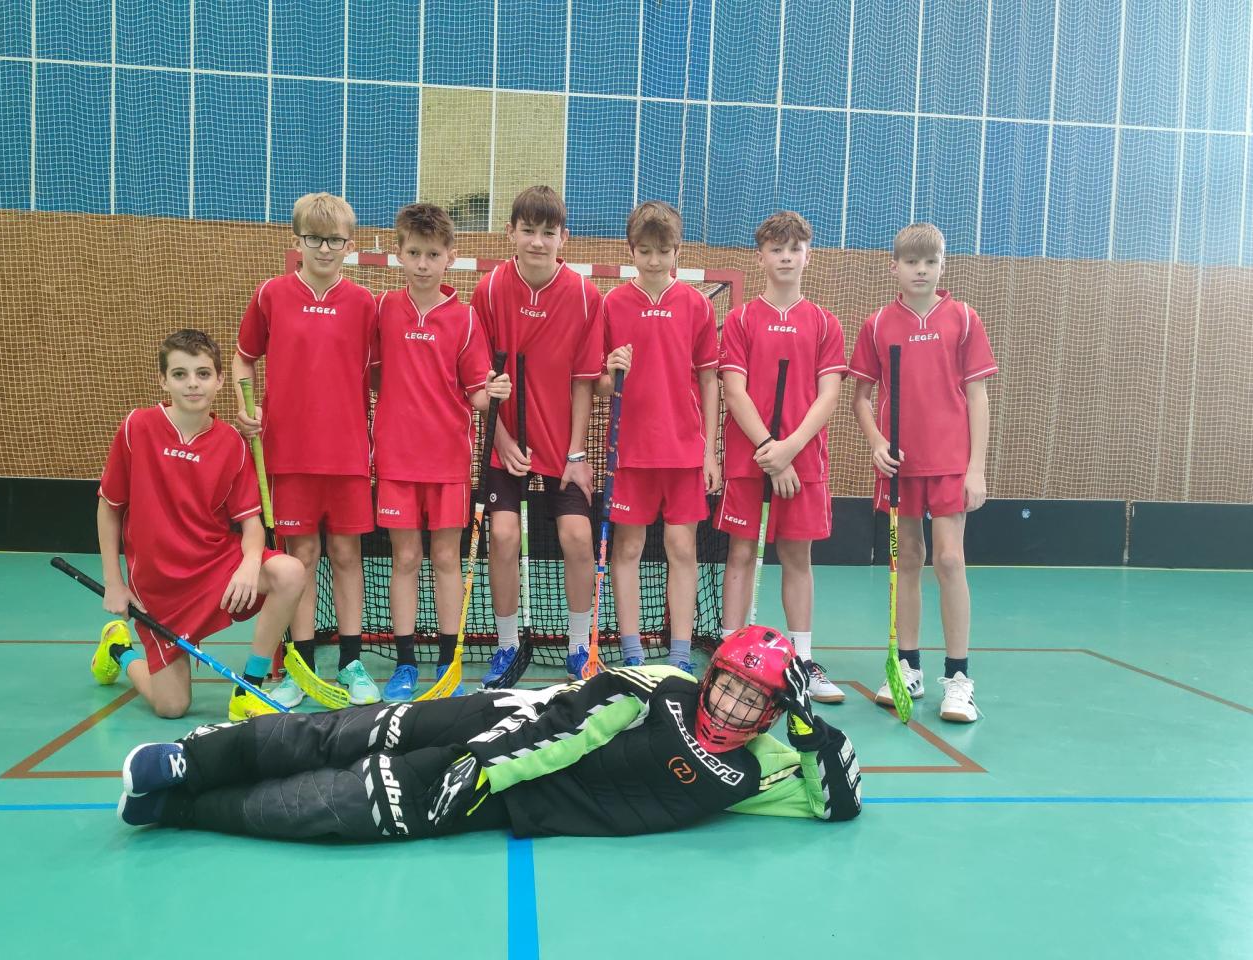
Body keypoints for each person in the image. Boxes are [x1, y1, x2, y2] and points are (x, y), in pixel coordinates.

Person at [114, 625, 862, 839]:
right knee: (354, 732)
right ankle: (190, 761)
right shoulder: (665, 688)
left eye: (754, 702)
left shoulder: (763, 769)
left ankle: (179, 809)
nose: (731, 709)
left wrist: (810, 733)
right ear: (712, 676)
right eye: (729, 686)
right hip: (503, 728)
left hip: (516, 798)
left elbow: (834, 802)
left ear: (774, 714)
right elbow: (570, 725)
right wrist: (481, 763)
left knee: (351, 806)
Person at [91, 329, 305, 721]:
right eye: (180, 374)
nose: (192, 383)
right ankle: (118, 649)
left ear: (220, 380)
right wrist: (113, 582)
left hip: (213, 569)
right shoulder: (137, 428)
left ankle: (248, 688)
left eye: (203, 374)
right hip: (159, 588)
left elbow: (251, 524)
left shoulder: (232, 443)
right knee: (172, 706)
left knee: (289, 572)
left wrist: (250, 562)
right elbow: (110, 507)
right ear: (163, 380)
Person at [232, 193, 381, 707]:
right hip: (288, 455)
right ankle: (300, 667)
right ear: (296, 241)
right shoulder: (271, 294)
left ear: (349, 245)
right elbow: (244, 359)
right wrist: (246, 407)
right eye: (313, 238)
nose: (323, 248)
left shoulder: (364, 304)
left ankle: (352, 663)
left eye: (334, 240)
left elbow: (383, 374)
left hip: (347, 455)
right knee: (303, 557)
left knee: (346, 555)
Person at [848, 223, 998, 723]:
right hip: (900, 465)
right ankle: (907, 666)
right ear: (894, 267)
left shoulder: (964, 318)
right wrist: (876, 442)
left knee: (950, 560)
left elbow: (977, 396)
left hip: (951, 461)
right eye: (912, 262)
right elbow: (861, 397)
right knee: (907, 559)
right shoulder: (877, 324)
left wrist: (976, 468)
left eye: (930, 262)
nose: (921, 270)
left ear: (942, 266)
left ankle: (959, 679)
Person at [371, 203, 511, 701]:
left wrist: (493, 391)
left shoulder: (465, 318)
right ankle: (405, 662)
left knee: (446, 558)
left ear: (450, 256)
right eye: (414, 253)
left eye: (433, 254)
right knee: (406, 558)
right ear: (399, 254)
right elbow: (370, 374)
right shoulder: (382, 310)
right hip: (396, 461)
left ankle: (448, 663)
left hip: (448, 461)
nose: (423, 263)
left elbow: (475, 394)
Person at [470, 186, 603, 685]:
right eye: (528, 230)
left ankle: (578, 645)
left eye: (549, 232)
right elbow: (479, 378)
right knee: (503, 536)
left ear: (563, 237)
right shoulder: (488, 291)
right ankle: (507, 645)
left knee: (578, 538)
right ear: (510, 232)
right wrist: (501, 440)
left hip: (561, 446)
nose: (538, 242)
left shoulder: (586, 296)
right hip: (506, 441)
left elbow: (584, 381)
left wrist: (577, 453)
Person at [715, 211, 847, 702]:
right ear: (761, 257)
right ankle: (729, 655)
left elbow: (828, 395)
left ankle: (803, 661)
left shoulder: (825, 323)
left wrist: (789, 450)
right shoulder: (740, 319)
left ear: (808, 257)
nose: (786, 257)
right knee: (741, 553)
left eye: (795, 249)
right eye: (776, 249)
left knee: (797, 556)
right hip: (749, 461)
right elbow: (734, 391)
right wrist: (768, 450)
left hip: (803, 463)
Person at [597, 201, 720, 677]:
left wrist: (709, 452)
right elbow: (599, 384)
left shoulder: (696, 305)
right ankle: (631, 652)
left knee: (682, 549)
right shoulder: (612, 304)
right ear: (631, 250)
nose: (653, 260)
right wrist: (611, 370)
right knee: (627, 549)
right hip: (630, 453)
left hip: (684, 451)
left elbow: (708, 379)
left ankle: (680, 655)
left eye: (662, 251)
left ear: (676, 252)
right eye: (644, 251)